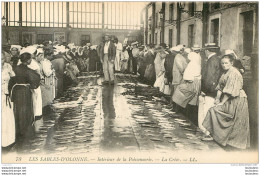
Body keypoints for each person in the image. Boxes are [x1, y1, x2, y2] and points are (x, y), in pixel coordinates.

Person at [202, 54, 250, 149]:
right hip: (229, 98)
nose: (224, 65)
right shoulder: (225, 73)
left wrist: (222, 102)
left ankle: (233, 142)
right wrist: (217, 98)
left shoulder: (234, 73)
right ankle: (216, 135)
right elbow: (220, 87)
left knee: (235, 121)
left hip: (237, 99)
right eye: (222, 63)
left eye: (226, 63)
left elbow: (229, 92)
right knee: (214, 110)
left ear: (231, 63)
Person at [10, 53, 40, 139]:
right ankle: (24, 130)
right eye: (30, 59)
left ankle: (18, 129)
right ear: (27, 60)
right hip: (24, 91)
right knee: (25, 110)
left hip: (16, 90)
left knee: (17, 110)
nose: (31, 60)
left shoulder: (15, 68)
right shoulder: (28, 70)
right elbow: (35, 81)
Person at [198, 43, 222, 133]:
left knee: (206, 111)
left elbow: (209, 77)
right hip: (213, 90)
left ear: (207, 51)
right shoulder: (217, 59)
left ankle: (207, 132)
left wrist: (204, 90)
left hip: (209, 91)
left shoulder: (212, 60)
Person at [2, 51, 16, 149]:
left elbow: (13, 77)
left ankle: (7, 140)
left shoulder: (7, 66)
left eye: (2, 59)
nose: (1, 61)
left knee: (6, 117)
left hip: (5, 95)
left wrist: (9, 89)